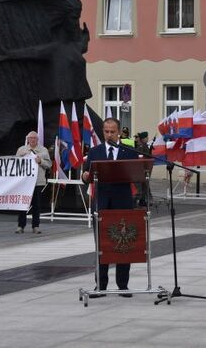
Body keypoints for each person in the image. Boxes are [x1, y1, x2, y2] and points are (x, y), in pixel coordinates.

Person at [82, 117, 138, 297]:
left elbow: (136, 174)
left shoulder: (128, 152)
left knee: (124, 243)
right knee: (102, 245)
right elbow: (85, 175)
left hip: (123, 202)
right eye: (106, 131)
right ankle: (101, 286)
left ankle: (123, 285)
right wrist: (85, 176)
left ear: (119, 132)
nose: (109, 134)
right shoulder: (95, 152)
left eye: (112, 131)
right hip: (102, 203)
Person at [15, 131, 51, 234]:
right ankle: (20, 226)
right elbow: (14, 164)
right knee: (22, 204)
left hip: (37, 182)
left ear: (37, 139)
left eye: (34, 138)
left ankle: (35, 226)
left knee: (36, 205)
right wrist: (21, 157)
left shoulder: (43, 150)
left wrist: (40, 162)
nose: (32, 140)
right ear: (28, 139)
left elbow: (49, 164)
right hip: (23, 182)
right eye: (31, 138)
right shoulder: (21, 150)